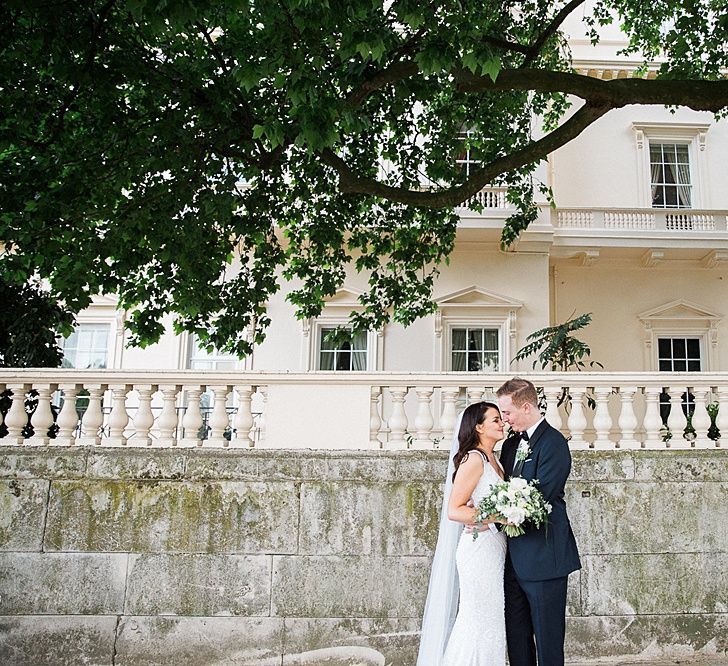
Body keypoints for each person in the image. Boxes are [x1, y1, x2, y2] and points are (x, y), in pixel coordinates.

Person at [496, 378, 581, 666]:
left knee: (547, 642)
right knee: (517, 638)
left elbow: (542, 496)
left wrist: (496, 514)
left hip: (545, 559)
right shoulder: (510, 445)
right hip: (514, 561)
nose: (504, 418)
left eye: (507, 412)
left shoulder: (554, 444)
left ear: (527, 406)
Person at [416, 401, 508, 666]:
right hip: (478, 550)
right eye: (495, 420)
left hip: (495, 548)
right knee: (477, 619)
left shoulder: (496, 460)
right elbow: (454, 510)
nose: (501, 423)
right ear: (479, 427)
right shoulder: (474, 459)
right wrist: (500, 517)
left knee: (491, 619)